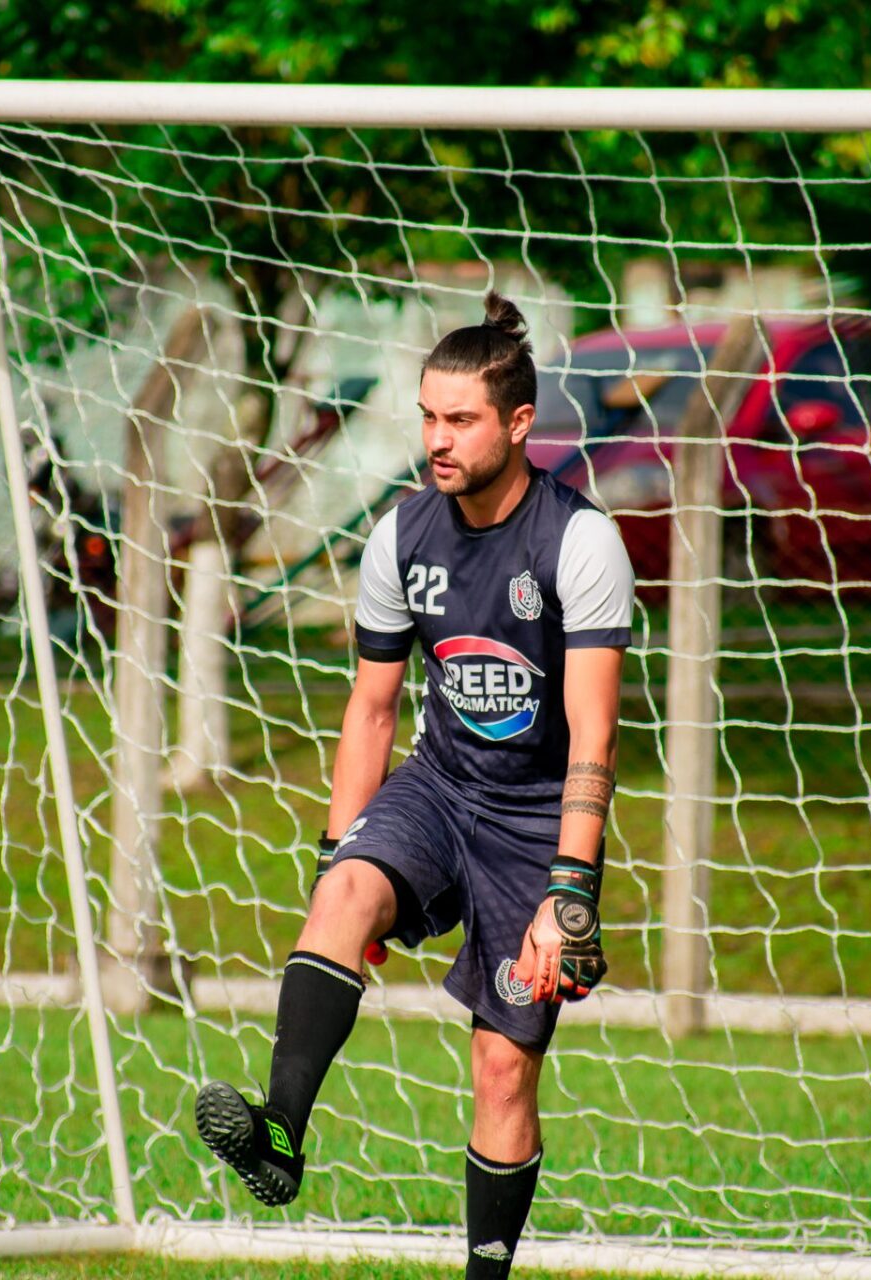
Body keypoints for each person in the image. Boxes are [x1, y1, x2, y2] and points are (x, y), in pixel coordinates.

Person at [193, 292, 633, 1280]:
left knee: (502, 1065)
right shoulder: (400, 535)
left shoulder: (580, 543)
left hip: (536, 818)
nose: (437, 438)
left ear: (519, 423)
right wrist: (341, 850)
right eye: (428, 416)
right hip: (439, 785)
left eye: (461, 419)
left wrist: (570, 890)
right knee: (344, 889)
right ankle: (278, 1131)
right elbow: (373, 710)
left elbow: (595, 736)